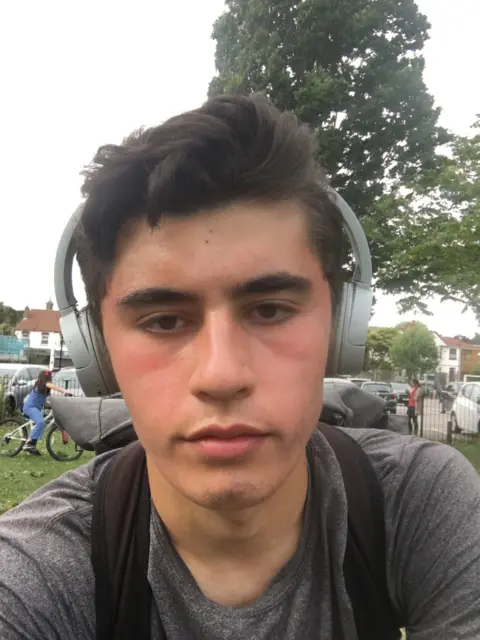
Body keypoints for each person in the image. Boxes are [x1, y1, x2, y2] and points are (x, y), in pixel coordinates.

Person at [0, 94, 479, 639]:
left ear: (340, 327)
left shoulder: (420, 501)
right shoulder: (31, 573)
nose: (222, 376)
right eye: (163, 321)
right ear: (97, 353)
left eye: (269, 310)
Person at [22, 369, 72, 455]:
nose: (48, 378)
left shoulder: (44, 389)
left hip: (36, 408)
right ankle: (29, 443)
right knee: (41, 423)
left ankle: (31, 448)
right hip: (30, 408)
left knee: (38, 426)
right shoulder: (42, 385)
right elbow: (52, 386)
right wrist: (64, 391)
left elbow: (44, 401)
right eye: (48, 377)